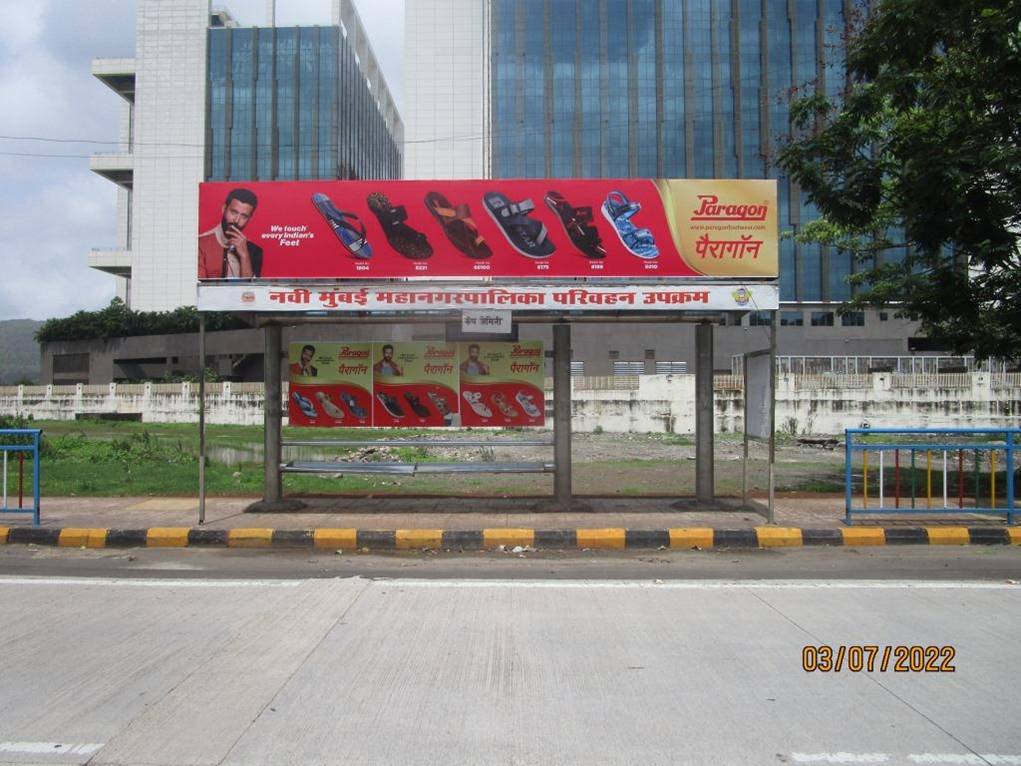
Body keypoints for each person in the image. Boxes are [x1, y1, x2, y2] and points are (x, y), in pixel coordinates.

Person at [198, 188, 263, 279]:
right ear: (224, 209)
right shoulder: (201, 244)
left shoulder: (255, 251)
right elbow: (200, 288)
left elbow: (251, 290)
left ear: (249, 219)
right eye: (233, 212)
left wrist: (245, 257)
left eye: (244, 216)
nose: (236, 220)